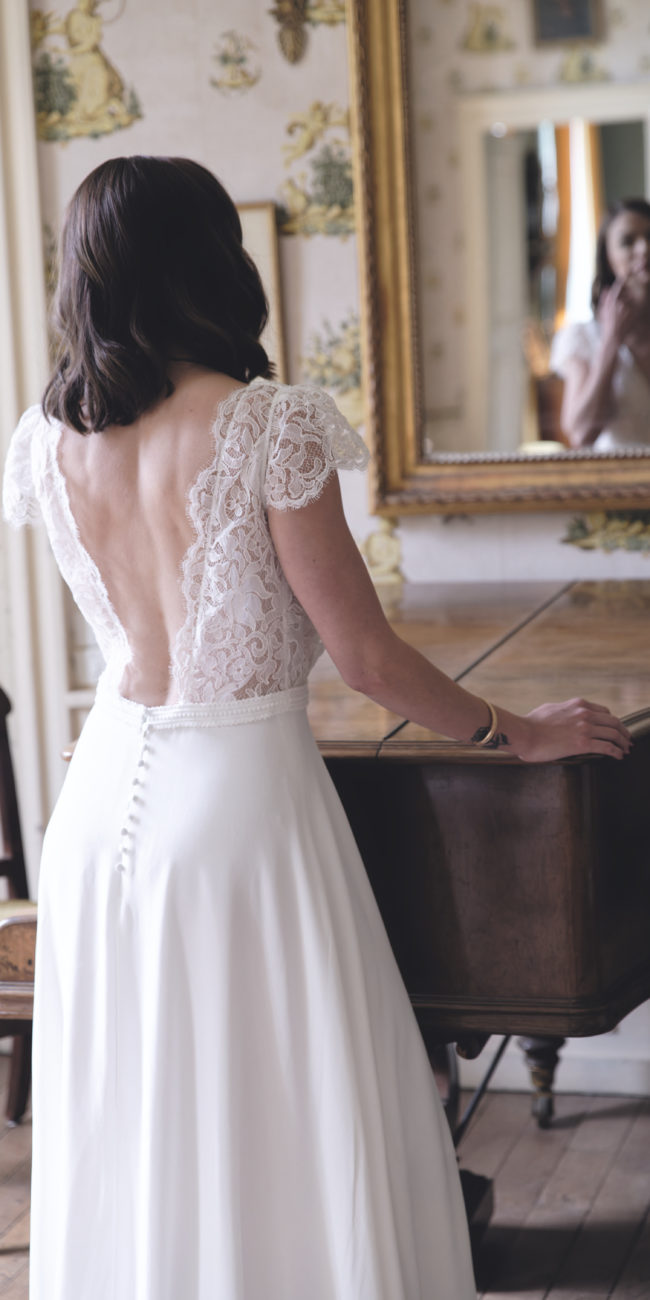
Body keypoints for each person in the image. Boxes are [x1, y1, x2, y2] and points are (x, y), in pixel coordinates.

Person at [2, 156, 630, 1300]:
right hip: (239, 802)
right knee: (279, 1089)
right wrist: (513, 733)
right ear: (210, 260)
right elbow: (366, 655)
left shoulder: (45, 441)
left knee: (138, 1098)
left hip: (97, 808)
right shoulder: (263, 424)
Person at [551, 197, 650, 450]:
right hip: (616, 485)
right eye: (628, 241)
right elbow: (581, 434)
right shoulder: (582, 337)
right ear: (608, 257)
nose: (644, 248)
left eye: (649, 236)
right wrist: (612, 342)